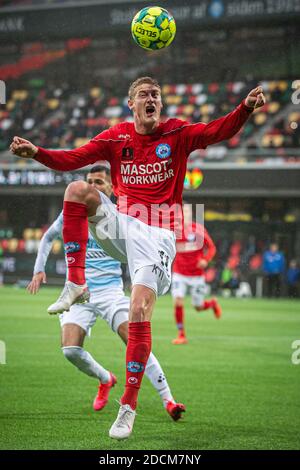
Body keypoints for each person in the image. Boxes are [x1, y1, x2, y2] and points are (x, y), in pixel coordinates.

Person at [10, 76, 266, 439]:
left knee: (139, 311)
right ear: (131, 104)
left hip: (158, 234)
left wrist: (243, 109)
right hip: (123, 225)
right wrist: (37, 153)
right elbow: (73, 160)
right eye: (144, 94)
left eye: (156, 95)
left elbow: (216, 131)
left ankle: (127, 406)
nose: (151, 99)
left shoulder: (176, 133)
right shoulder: (116, 137)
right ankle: (75, 281)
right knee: (77, 190)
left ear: (161, 104)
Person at [27, 165, 185, 420]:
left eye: (99, 182)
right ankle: (105, 378)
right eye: (89, 181)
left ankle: (169, 400)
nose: (93, 186)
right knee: (69, 350)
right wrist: (38, 269)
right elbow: (48, 237)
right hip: (80, 292)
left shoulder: (121, 216)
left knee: (135, 338)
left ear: (113, 188)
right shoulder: (75, 211)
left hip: (111, 291)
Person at [171, 204, 221, 345]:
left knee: (198, 307)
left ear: (190, 213)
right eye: (181, 211)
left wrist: (205, 260)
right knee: (178, 301)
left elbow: (211, 247)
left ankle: (212, 303)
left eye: (186, 211)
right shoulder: (174, 229)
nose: (183, 214)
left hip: (197, 275)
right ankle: (181, 334)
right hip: (179, 273)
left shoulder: (198, 230)